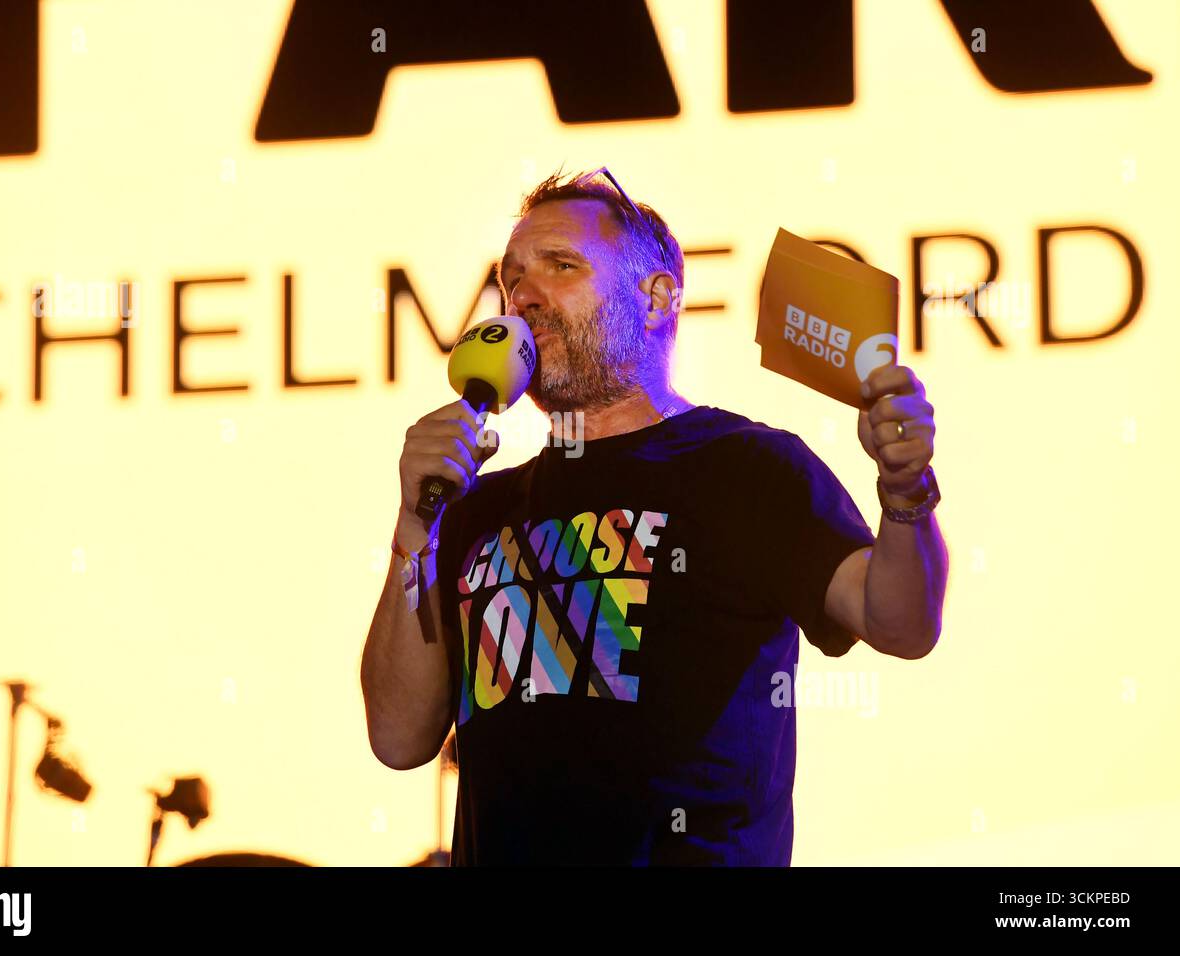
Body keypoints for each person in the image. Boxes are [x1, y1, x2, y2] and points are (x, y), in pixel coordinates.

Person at [360, 169, 949, 865]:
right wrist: (412, 527)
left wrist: (905, 494)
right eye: (511, 278)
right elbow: (398, 738)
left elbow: (901, 625)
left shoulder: (749, 467)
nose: (524, 297)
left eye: (561, 266)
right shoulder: (475, 509)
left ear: (657, 298)